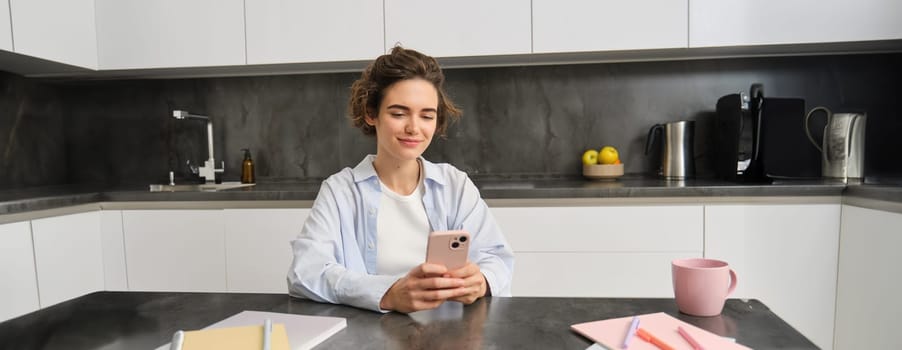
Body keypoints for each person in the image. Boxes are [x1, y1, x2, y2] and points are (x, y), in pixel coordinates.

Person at [287, 46, 515, 313]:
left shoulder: (455, 185)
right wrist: (388, 294)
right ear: (371, 114)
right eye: (398, 113)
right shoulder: (340, 191)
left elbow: (497, 259)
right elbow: (305, 273)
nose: (414, 128)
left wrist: (482, 280)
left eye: (427, 115)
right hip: (368, 337)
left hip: (450, 337)